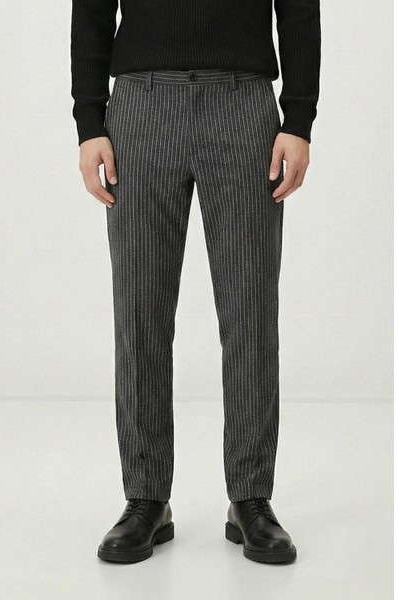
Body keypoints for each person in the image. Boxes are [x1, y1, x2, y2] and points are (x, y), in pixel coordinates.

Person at [70, 0, 321, 565]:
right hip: (140, 106)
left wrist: (298, 119)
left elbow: (299, 9)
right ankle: (145, 497)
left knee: (250, 309)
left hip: (244, 105)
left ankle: (251, 497)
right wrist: (89, 122)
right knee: (139, 310)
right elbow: (91, 8)